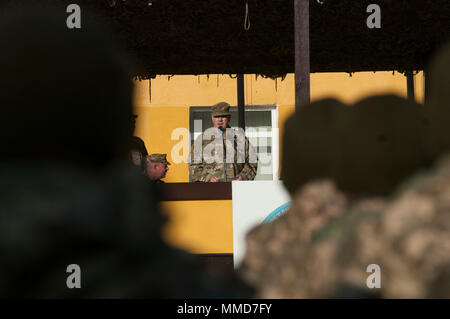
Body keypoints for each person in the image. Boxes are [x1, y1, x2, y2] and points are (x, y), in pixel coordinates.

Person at [189, 102, 258, 182]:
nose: (220, 119)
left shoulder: (240, 139)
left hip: (236, 187)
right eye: (217, 116)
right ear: (212, 118)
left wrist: (242, 177)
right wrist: (207, 178)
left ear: (229, 118)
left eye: (223, 116)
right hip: (210, 188)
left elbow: (252, 162)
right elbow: (193, 165)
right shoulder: (202, 140)